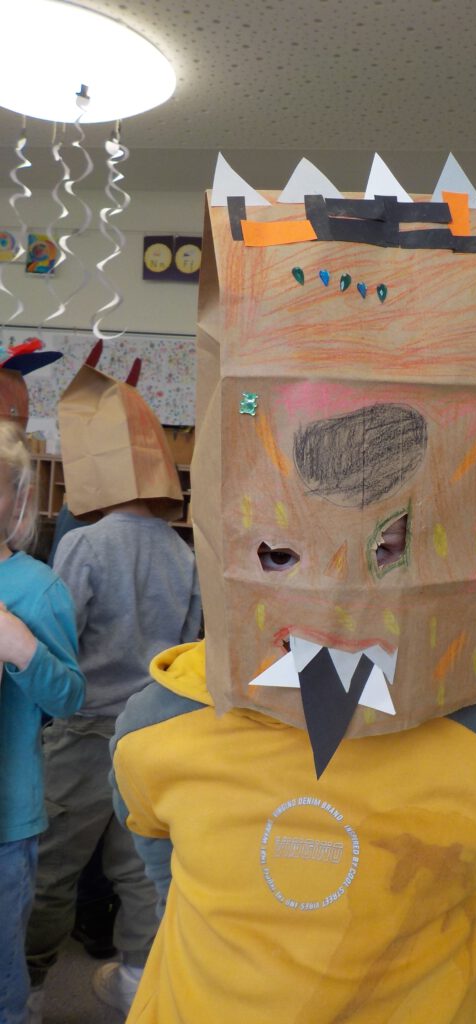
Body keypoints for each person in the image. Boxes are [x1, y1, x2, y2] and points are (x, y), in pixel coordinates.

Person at [108, 158, 476, 1023]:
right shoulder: (161, 722)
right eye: (281, 551)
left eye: (390, 547)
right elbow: (156, 850)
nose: (337, 595)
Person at [25, 363, 202, 1022]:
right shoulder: (182, 554)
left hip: (84, 727)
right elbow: (186, 648)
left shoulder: (86, 544)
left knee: (53, 863)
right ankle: (134, 977)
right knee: (141, 864)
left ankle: (32, 982)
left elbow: (60, 633)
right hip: (152, 732)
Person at [0, 421, 85, 1024]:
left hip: (6, 822)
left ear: (17, 500)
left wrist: (23, 649)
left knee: (2, 965)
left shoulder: (37, 589)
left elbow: (70, 698)